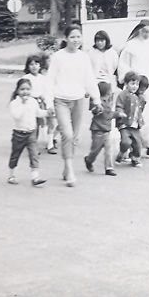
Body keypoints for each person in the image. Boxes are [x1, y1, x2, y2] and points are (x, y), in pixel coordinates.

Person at [46, 24, 101, 186]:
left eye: (78, 36)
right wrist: (49, 102)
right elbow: (50, 80)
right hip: (60, 100)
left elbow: (89, 79)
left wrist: (96, 99)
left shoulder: (83, 57)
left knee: (74, 137)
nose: (76, 40)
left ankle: (66, 165)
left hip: (78, 100)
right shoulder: (58, 57)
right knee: (67, 135)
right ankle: (70, 169)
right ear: (66, 38)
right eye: (72, 37)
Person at [117, 19, 149, 159]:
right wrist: (127, 81)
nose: (147, 34)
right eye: (144, 31)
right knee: (132, 114)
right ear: (139, 30)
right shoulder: (131, 46)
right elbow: (124, 65)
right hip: (134, 82)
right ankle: (130, 147)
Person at [8, 77, 48, 187]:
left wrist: (47, 113)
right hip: (19, 133)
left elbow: (38, 113)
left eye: (27, 89)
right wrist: (23, 104)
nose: (25, 92)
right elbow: (16, 116)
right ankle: (12, 174)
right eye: (22, 89)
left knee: (34, 154)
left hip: (31, 133)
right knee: (15, 154)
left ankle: (35, 177)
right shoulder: (15, 103)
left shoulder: (33, 101)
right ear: (17, 91)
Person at [22, 54, 56, 155]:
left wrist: (49, 105)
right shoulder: (25, 78)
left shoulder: (44, 78)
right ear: (28, 66)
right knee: (34, 126)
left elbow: (48, 92)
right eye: (31, 64)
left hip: (44, 103)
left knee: (51, 123)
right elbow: (22, 92)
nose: (34, 66)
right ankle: (33, 146)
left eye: (36, 64)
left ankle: (50, 144)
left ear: (40, 65)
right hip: (30, 104)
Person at [84, 81, 117, 177]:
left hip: (106, 129)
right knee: (95, 150)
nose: (110, 94)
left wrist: (118, 114)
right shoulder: (96, 101)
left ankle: (109, 168)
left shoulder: (109, 100)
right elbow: (93, 110)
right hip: (97, 130)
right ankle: (89, 160)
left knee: (109, 148)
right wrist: (97, 109)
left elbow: (110, 113)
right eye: (108, 92)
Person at [114, 71, 143, 167]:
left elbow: (139, 110)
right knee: (126, 142)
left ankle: (135, 158)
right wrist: (120, 112)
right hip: (125, 124)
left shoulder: (137, 96)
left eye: (137, 84)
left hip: (135, 124)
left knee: (138, 143)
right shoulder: (123, 94)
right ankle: (121, 154)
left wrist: (140, 121)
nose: (135, 86)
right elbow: (119, 105)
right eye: (132, 84)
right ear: (126, 84)